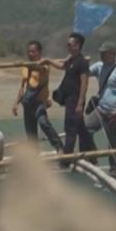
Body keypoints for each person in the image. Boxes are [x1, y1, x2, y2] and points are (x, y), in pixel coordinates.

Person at [42, 32, 92, 163]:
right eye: (67, 45)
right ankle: (93, 157)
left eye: (70, 44)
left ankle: (66, 158)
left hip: (75, 100)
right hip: (69, 99)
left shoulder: (82, 62)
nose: (67, 47)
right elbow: (62, 66)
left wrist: (80, 103)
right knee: (81, 128)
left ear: (77, 46)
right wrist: (48, 61)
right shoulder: (71, 60)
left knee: (70, 128)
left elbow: (84, 82)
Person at [87, 41, 116, 178]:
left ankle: (114, 172)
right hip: (101, 109)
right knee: (85, 129)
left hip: (114, 112)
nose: (101, 55)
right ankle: (93, 160)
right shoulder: (99, 66)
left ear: (112, 54)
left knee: (115, 143)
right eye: (101, 53)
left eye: (104, 53)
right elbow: (85, 72)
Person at [13, 40, 63, 152]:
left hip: (40, 102)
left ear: (39, 52)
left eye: (33, 52)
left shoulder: (44, 63)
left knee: (43, 122)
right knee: (31, 133)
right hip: (28, 103)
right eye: (29, 52)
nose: (30, 54)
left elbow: (39, 68)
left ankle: (59, 147)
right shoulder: (25, 67)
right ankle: (35, 155)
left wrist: (23, 63)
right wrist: (16, 103)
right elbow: (23, 87)